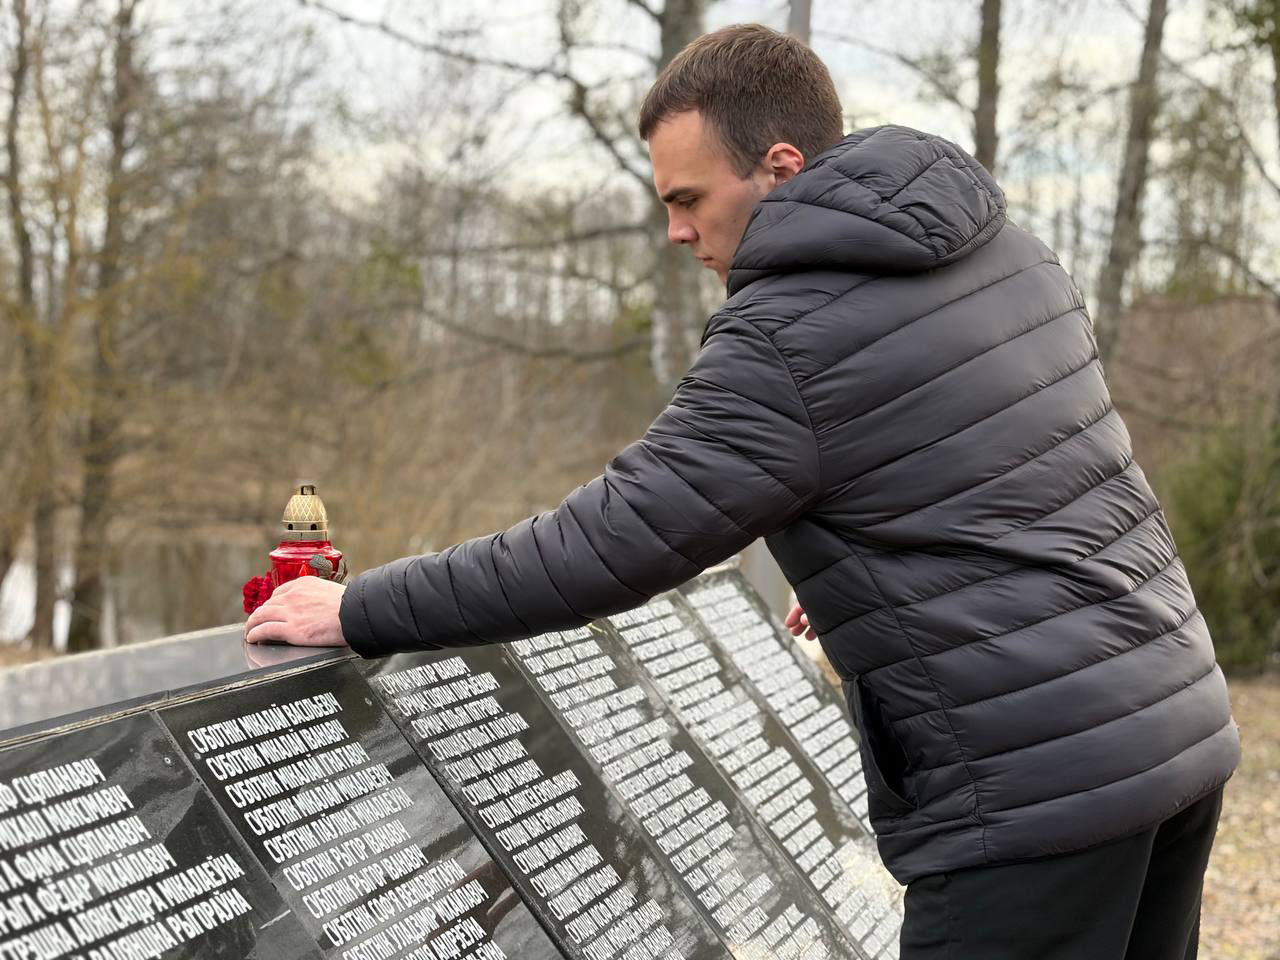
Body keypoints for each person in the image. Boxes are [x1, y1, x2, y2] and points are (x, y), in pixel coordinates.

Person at [244, 23, 1240, 959]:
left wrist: (361, 607)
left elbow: (599, 545)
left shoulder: (785, 338)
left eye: (687, 200)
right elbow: (1022, 481)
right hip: (1171, 732)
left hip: (1031, 793)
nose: (676, 233)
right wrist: (863, 570)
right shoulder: (1008, 255)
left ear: (781, 169)